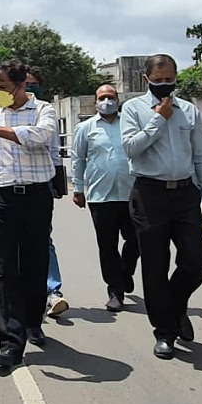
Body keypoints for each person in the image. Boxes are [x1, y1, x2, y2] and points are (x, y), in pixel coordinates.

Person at [120, 54, 202, 360]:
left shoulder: (188, 110)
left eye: (169, 79)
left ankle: (176, 309)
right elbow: (131, 148)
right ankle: (164, 332)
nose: (164, 85)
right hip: (150, 195)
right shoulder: (133, 109)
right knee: (155, 266)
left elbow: (201, 157)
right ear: (146, 79)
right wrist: (158, 119)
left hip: (185, 194)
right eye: (158, 80)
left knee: (194, 263)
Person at [0, 59, 58, 367]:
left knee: (35, 264)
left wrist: (0, 130)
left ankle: (32, 320)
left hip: (36, 196)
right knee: (4, 269)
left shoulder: (43, 110)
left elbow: (42, 137)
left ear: (21, 85)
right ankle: (10, 343)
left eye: (4, 87)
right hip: (1, 197)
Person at [72, 84, 139, 312]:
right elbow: (78, 159)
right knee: (107, 246)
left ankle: (126, 271)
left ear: (118, 100)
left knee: (137, 240)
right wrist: (78, 188)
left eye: (111, 97)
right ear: (95, 101)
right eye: (102, 97)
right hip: (100, 197)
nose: (107, 101)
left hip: (132, 193)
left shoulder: (130, 125)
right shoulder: (85, 128)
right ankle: (115, 291)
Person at [25, 67, 70, 318]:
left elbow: (52, 147)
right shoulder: (4, 111)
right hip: (10, 186)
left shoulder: (45, 111)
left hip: (42, 182)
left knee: (44, 239)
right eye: (26, 83)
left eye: (34, 84)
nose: (30, 87)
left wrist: (56, 180)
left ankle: (53, 292)